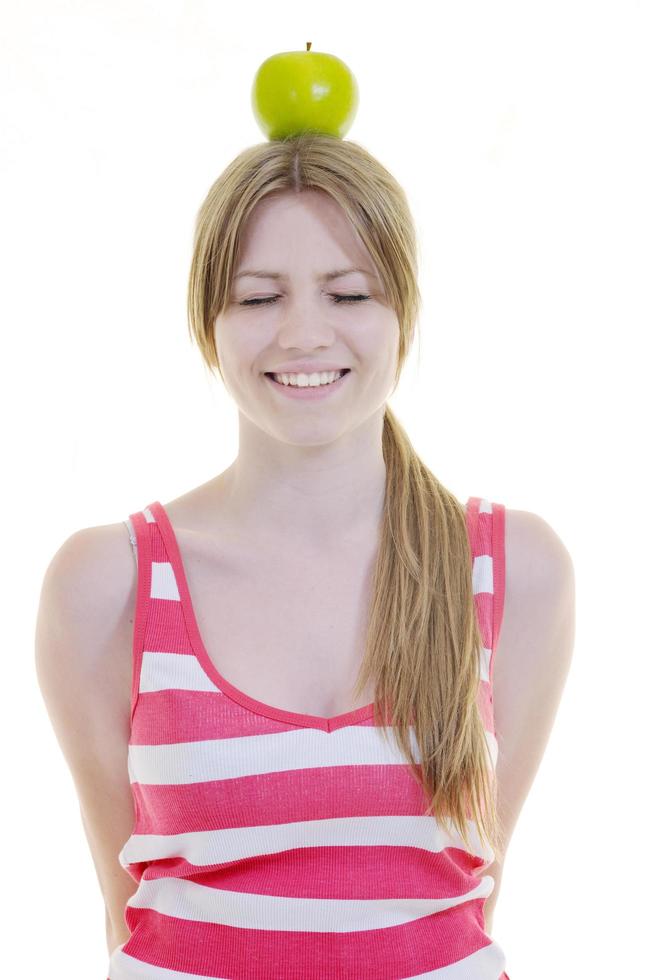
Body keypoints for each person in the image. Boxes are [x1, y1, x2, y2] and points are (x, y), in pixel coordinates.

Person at [35, 133, 575, 979]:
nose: (303, 334)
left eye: (348, 291)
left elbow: (468, 901)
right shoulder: (107, 582)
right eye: (258, 299)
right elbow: (125, 904)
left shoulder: (518, 571)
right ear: (207, 324)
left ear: (403, 312)